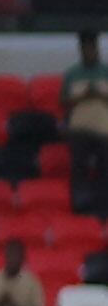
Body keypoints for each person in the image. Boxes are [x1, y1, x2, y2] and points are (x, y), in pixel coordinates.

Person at [63, 38, 108, 216]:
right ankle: (80, 207)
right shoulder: (72, 74)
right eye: (86, 49)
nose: (90, 53)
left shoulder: (105, 72)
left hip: (104, 130)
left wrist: (99, 94)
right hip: (79, 130)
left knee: (105, 169)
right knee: (79, 169)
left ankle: (104, 207)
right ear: (81, 50)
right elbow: (64, 102)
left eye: (93, 49)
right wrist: (84, 95)